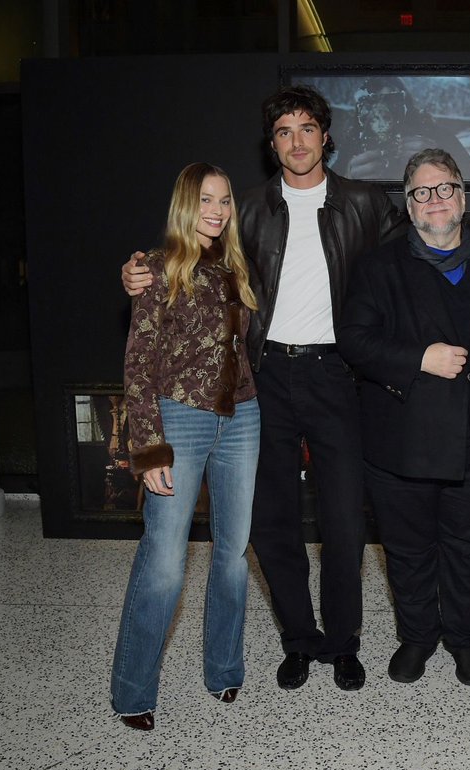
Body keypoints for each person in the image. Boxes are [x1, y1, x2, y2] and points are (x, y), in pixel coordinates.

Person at [122, 86, 405, 693]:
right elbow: (189, 255)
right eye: (284, 131)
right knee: (273, 523)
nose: (297, 141)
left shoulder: (364, 204)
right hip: (264, 379)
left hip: (339, 376)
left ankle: (343, 640)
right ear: (271, 142)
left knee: (344, 522)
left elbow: (418, 252)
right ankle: (299, 639)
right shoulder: (246, 209)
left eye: (308, 128)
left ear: (326, 136)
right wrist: (138, 267)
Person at [338, 149, 470, 687]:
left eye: (446, 188)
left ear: (462, 197)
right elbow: (354, 341)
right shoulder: (377, 267)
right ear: (408, 206)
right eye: (422, 192)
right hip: (401, 440)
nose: (435, 200)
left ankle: (465, 639)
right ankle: (417, 637)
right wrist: (419, 359)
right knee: (407, 550)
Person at [111, 162, 260, 731]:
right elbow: (138, 365)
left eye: (224, 200)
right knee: (166, 561)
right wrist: (148, 450)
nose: (217, 211)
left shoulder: (235, 267)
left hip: (243, 417)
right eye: (205, 200)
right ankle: (132, 690)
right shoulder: (152, 268)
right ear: (184, 204)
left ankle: (224, 668)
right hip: (179, 420)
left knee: (232, 554)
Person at [332, 77, 470, 182]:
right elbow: (327, 192)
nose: (383, 114)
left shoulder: (437, 136)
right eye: (371, 105)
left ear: (406, 105)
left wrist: (437, 161)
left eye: (392, 102)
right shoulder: (352, 141)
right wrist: (348, 176)